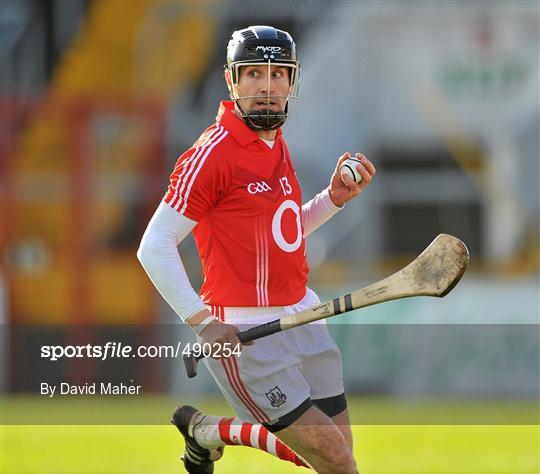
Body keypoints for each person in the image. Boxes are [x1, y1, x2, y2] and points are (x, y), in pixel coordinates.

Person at [137, 25, 376, 474]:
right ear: (231, 81)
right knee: (337, 463)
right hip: (243, 332)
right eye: (253, 74)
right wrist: (204, 324)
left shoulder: (275, 143)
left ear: (293, 81)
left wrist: (332, 199)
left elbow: (280, 233)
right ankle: (210, 431)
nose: (267, 86)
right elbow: (154, 246)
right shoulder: (212, 155)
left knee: (336, 456)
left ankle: (208, 431)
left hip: (302, 316)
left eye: (279, 74)